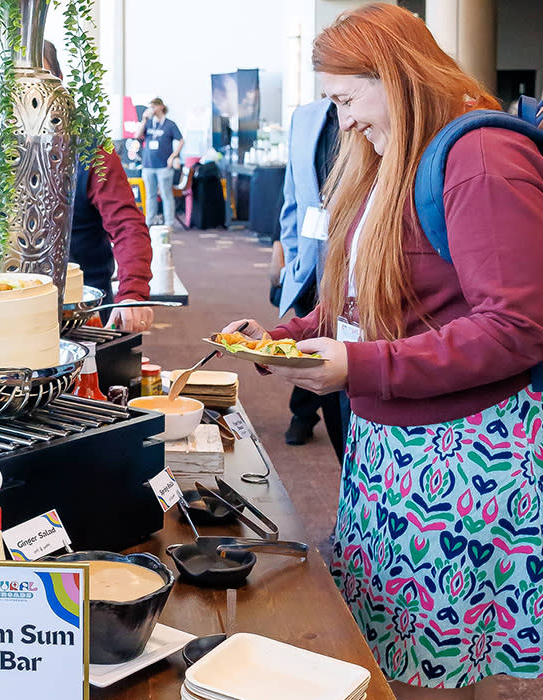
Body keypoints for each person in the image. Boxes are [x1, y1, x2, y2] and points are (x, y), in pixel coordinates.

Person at [224, 4, 543, 697]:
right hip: (398, 451)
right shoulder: (396, 156)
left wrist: (360, 367)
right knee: (395, 658)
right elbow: (367, 300)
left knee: (445, 673)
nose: (341, 120)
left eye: (346, 98)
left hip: (466, 466)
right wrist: (290, 337)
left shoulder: (481, 155)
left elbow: (514, 326)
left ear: (394, 76)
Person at [0, 42, 155, 333]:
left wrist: (132, 293)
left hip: (76, 316)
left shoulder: (89, 152)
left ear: (58, 85)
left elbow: (127, 226)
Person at [273, 97, 348, 458]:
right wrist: (290, 257)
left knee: (344, 369)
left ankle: (306, 415)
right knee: (311, 339)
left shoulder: (376, 111)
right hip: (310, 267)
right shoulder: (303, 117)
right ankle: (304, 413)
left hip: (358, 268)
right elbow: (293, 197)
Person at [137, 97, 183, 228]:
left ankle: (169, 223)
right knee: (150, 195)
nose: (152, 109)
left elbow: (181, 140)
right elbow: (137, 135)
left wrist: (173, 156)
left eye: (154, 106)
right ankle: (149, 222)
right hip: (148, 165)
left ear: (161, 107)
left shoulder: (170, 124)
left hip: (164, 165)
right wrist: (144, 120)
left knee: (166, 194)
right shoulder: (149, 123)